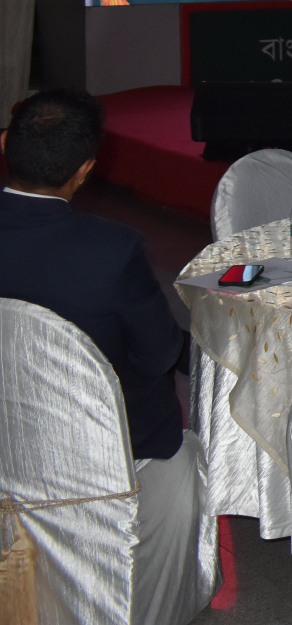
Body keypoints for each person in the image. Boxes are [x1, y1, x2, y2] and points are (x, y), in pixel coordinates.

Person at [0, 91, 207, 583]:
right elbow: (157, 354)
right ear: (85, 170)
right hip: (97, 444)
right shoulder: (110, 249)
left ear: (5, 143)